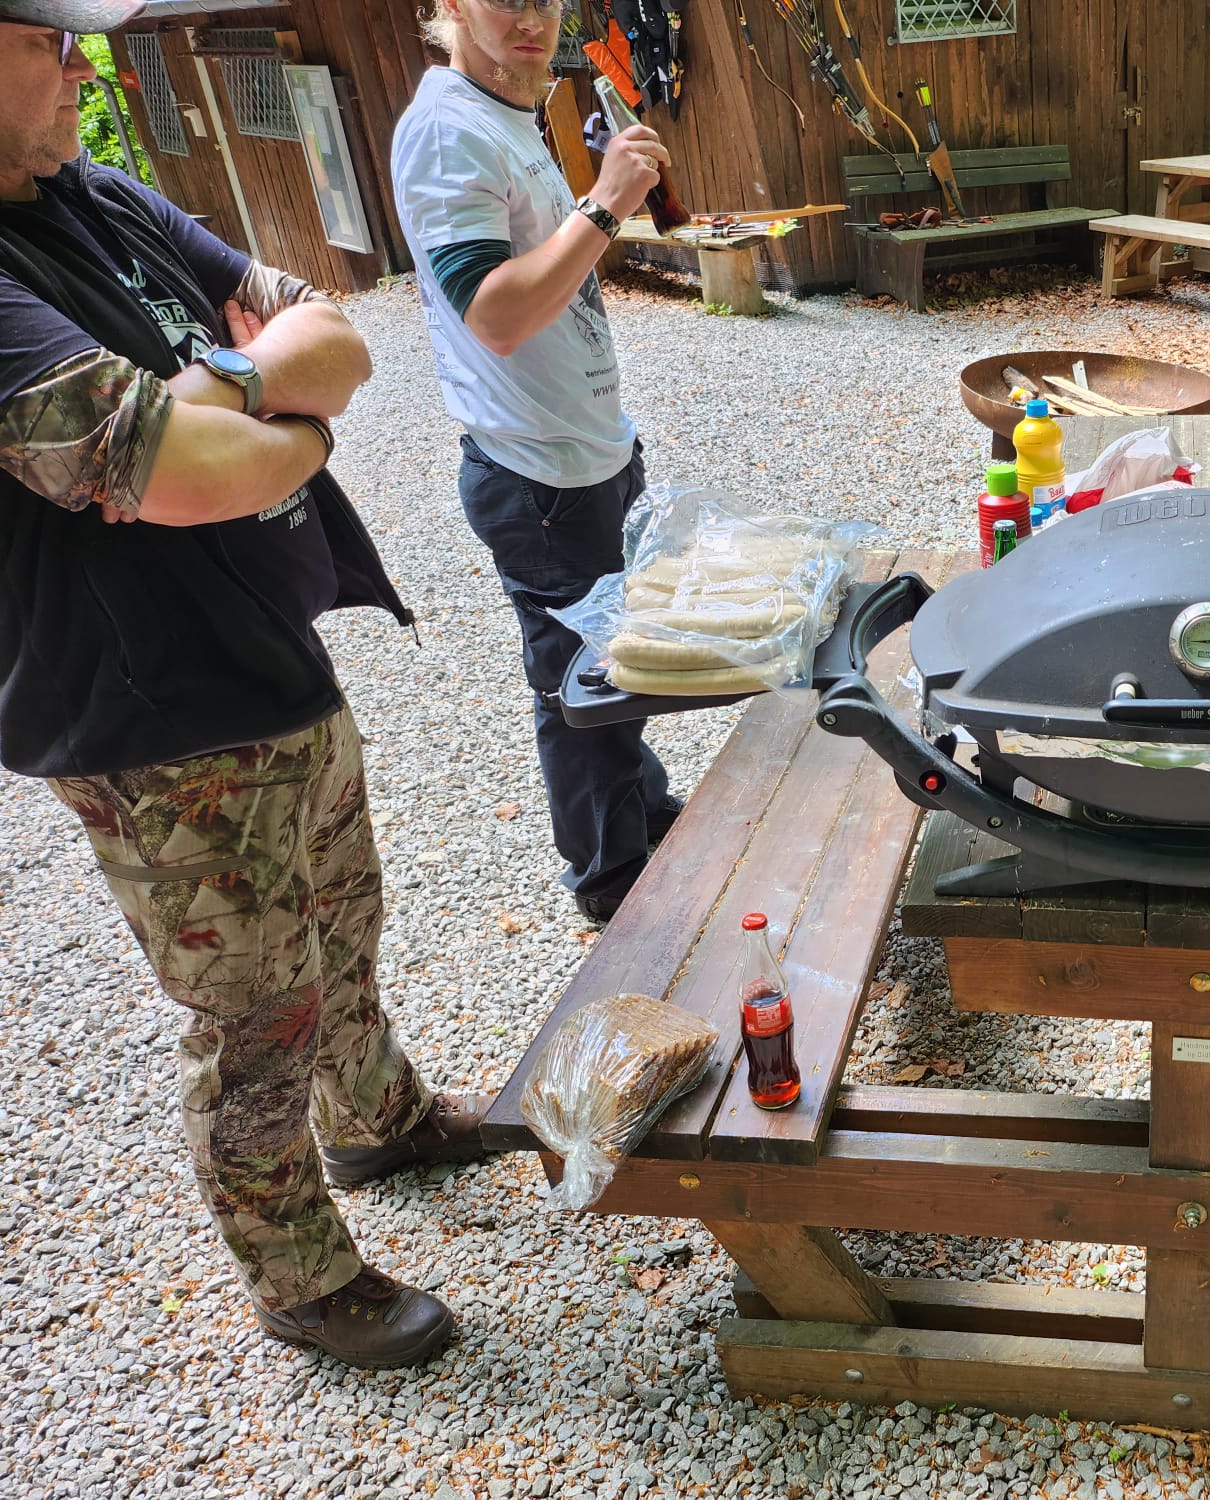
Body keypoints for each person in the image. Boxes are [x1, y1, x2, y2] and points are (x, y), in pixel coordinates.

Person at [0, 0, 499, 1369]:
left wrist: (219, 387)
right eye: (47, 39)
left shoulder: (101, 195)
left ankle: (379, 1120)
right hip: (149, 715)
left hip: (269, 654)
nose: (84, 65)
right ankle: (297, 1275)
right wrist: (290, 423)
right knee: (256, 1014)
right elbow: (171, 473)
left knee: (343, 923)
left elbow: (333, 334)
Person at [391, 0, 681, 926]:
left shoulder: (506, 113)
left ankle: (643, 810)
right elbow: (497, 314)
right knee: (581, 688)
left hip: (588, 449)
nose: (532, 17)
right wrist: (606, 203)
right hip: (539, 473)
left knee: (613, 656)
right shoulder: (447, 132)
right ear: (450, 8)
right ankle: (610, 881)